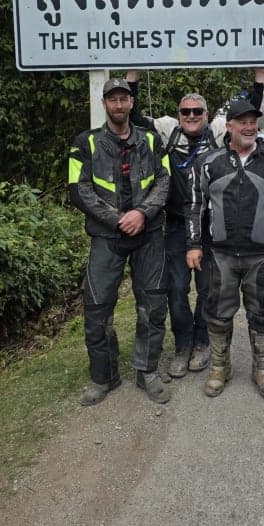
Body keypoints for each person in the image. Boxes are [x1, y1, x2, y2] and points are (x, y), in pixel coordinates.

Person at [125, 69, 264, 379]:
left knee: (208, 290)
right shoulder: (167, 131)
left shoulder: (217, 131)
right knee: (176, 289)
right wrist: (132, 77)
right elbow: (133, 116)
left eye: (197, 111)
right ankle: (182, 345)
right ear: (179, 114)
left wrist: (259, 78)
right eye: (185, 111)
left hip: (211, 226)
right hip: (176, 224)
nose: (191, 116)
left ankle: (202, 343)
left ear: (206, 113)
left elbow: (247, 111)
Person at [185, 99, 264, 401]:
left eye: (253, 121)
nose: (249, 127)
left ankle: (262, 369)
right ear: (230, 126)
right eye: (242, 122)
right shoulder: (208, 162)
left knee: (261, 311)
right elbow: (195, 206)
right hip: (219, 254)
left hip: (261, 255)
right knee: (218, 313)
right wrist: (194, 244)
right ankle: (220, 368)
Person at [68, 78, 171, 406]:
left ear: (130, 102)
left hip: (149, 235)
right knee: (97, 310)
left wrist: (142, 212)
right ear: (104, 104)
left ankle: (147, 371)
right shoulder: (85, 143)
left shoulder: (152, 141)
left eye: (124, 99)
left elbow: (165, 181)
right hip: (106, 238)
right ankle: (104, 377)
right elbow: (78, 189)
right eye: (112, 99)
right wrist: (117, 219)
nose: (119, 105)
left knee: (153, 306)